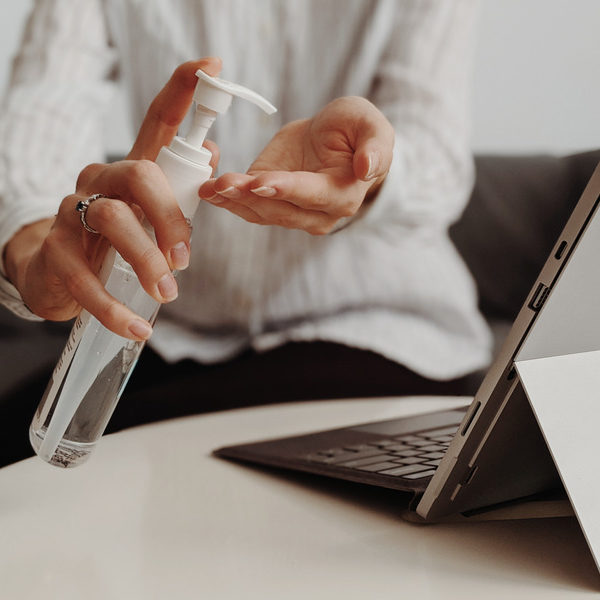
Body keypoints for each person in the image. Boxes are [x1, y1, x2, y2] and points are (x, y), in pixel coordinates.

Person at [0, 0, 491, 464]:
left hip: (379, 335)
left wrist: (364, 174)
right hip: (173, 340)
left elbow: (439, 166)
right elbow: (44, 114)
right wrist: (36, 245)